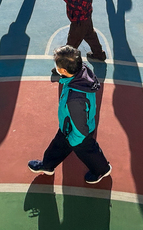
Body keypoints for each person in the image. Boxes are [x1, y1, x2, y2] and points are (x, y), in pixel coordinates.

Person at [27, 45, 111, 184]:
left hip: (78, 133)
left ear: (64, 70)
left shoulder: (75, 100)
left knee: (88, 151)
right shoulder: (81, 73)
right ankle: (47, 165)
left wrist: (72, 140)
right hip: (69, 126)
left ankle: (102, 170)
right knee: (57, 146)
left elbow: (81, 130)